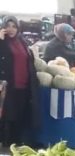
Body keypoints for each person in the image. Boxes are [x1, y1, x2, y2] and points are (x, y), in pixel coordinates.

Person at [0, 16, 38, 147]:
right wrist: (1, 40)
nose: (11, 29)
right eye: (8, 26)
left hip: (24, 85)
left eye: (13, 26)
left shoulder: (22, 42)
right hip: (8, 86)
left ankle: (17, 142)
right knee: (8, 116)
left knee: (20, 115)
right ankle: (7, 144)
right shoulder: (3, 43)